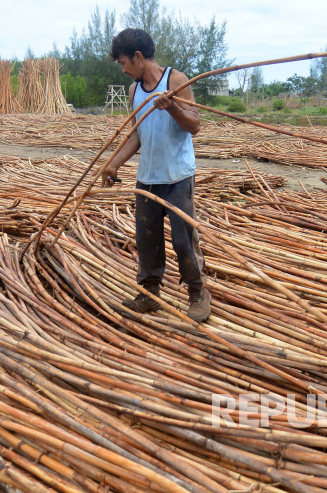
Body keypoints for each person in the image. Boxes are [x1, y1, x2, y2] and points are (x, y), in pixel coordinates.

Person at [102, 28, 211, 322]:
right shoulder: (134, 90)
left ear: (138, 57)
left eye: (124, 63)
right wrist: (113, 164)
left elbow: (194, 125)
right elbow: (137, 135)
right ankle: (149, 295)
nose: (123, 69)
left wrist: (173, 107)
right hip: (148, 178)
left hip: (177, 176)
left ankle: (198, 292)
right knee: (147, 240)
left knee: (183, 240)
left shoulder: (176, 80)